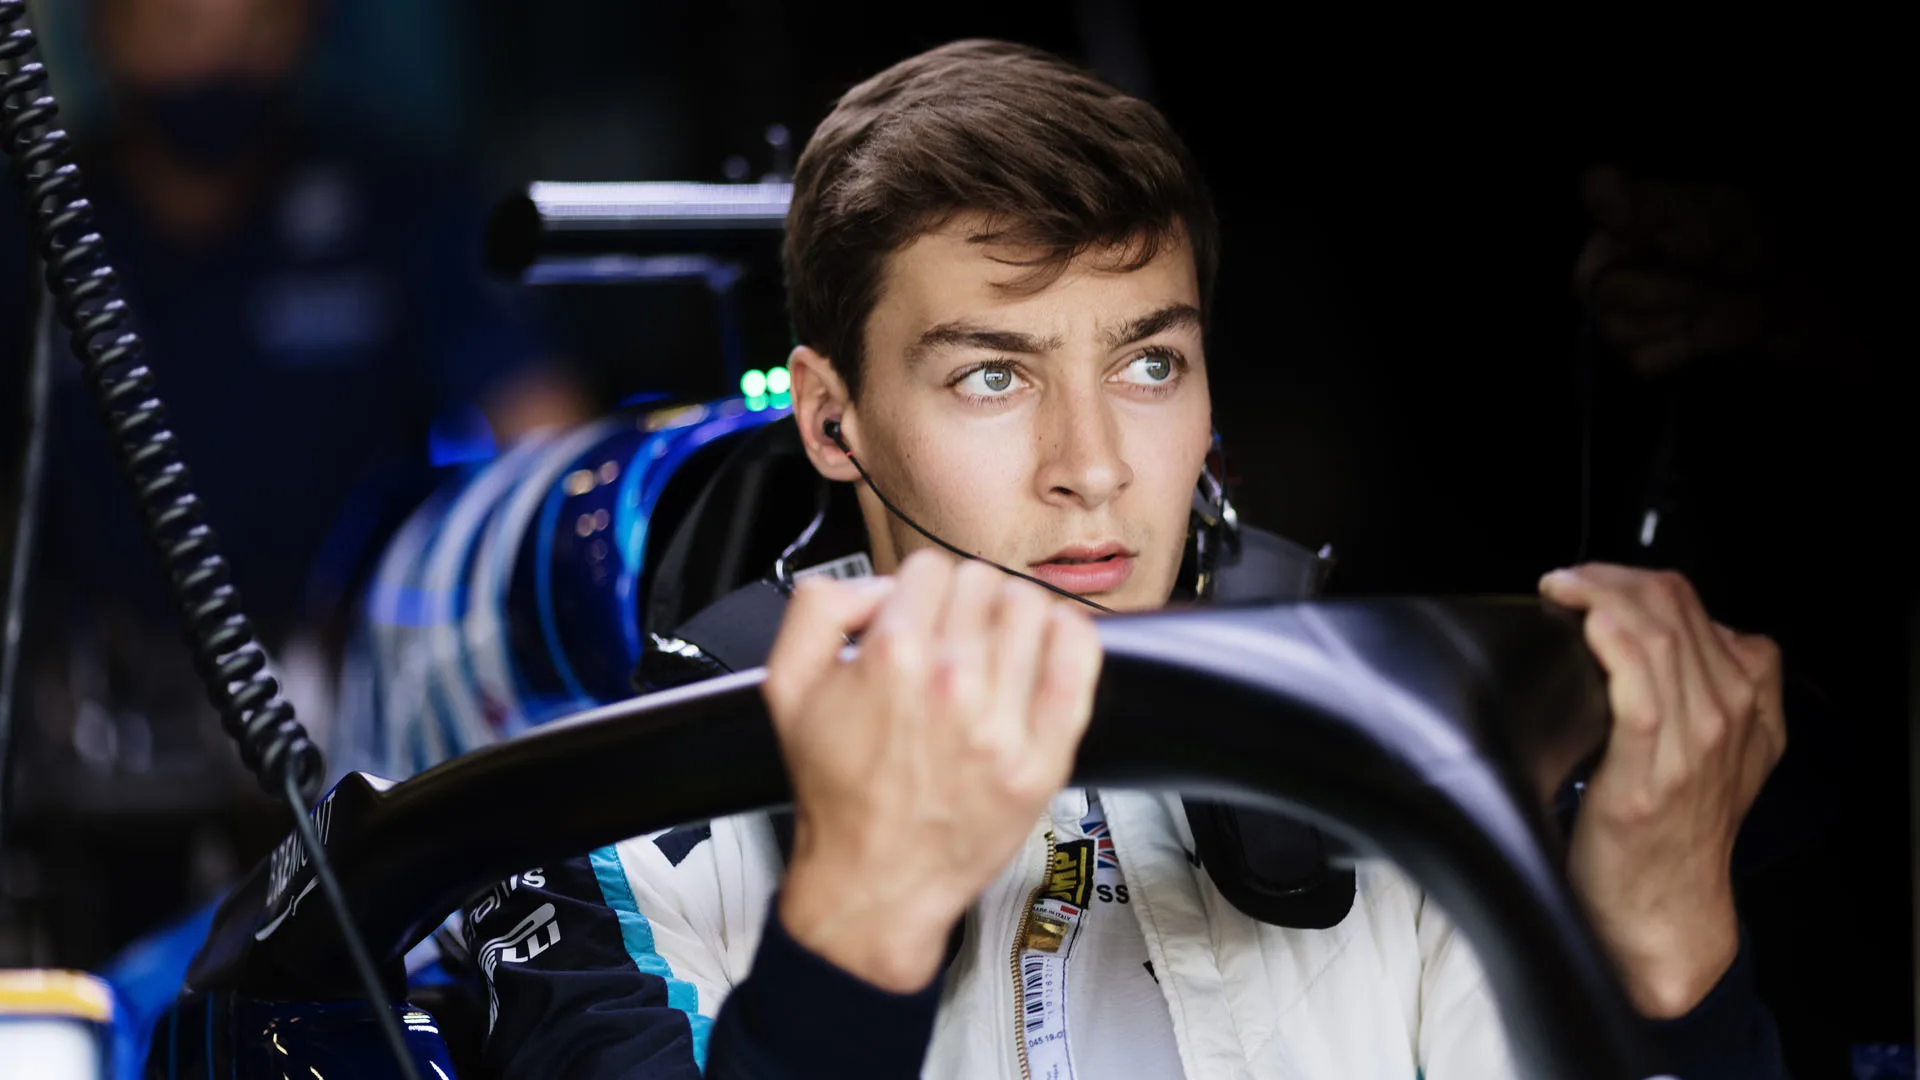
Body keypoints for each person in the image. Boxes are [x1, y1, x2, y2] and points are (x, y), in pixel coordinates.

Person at [463, 40, 1787, 1079]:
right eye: (993, 375)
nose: (1091, 465)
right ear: (831, 418)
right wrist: (849, 948)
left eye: (1149, 363)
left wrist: (1680, 984)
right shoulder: (624, 858)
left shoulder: (1421, 780)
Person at [0, 0, 586, 962]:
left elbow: (545, 441)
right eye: (183, 25)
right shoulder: (39, 218)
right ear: (104, 29)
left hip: (342, 727)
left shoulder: (396, 202)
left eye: (255, 25)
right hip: (81, 753)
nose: (221, 56)